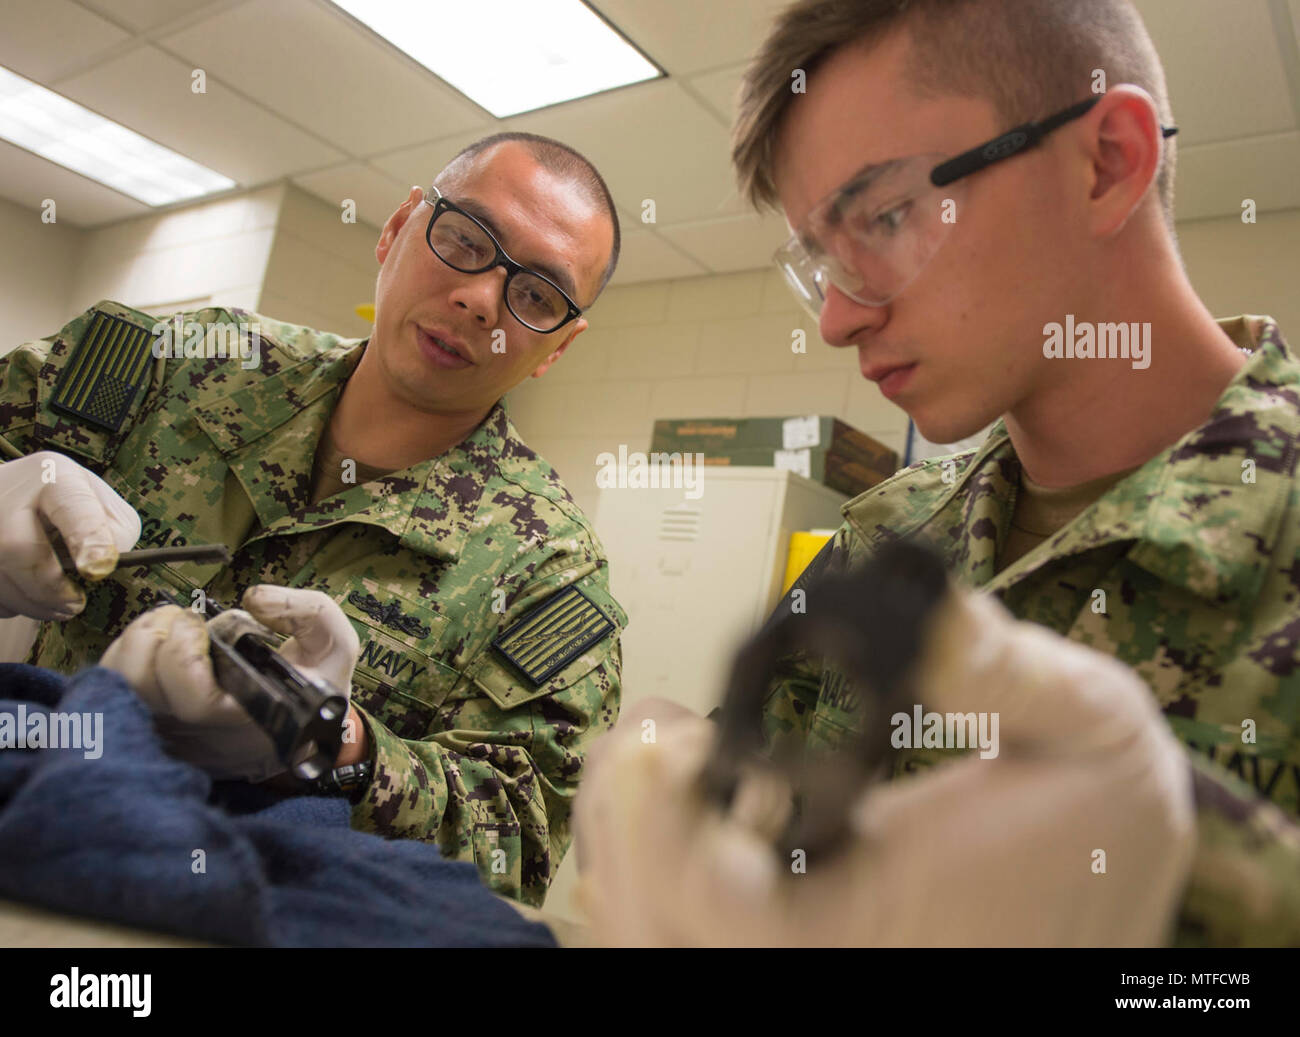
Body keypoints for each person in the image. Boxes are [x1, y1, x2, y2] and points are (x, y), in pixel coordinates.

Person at [723, 0, 1300, 943]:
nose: (836, 318)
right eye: (823, 259)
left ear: (1106, 163)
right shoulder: (881, 537)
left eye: (886, 215)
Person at [0, 132, 627, 908]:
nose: (481, 299)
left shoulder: (550, 571)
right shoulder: (169, 363)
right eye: (466, 240)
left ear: (557, 346)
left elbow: (519, 844)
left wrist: (338, 744)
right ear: (398, 228)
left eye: (536, 295)